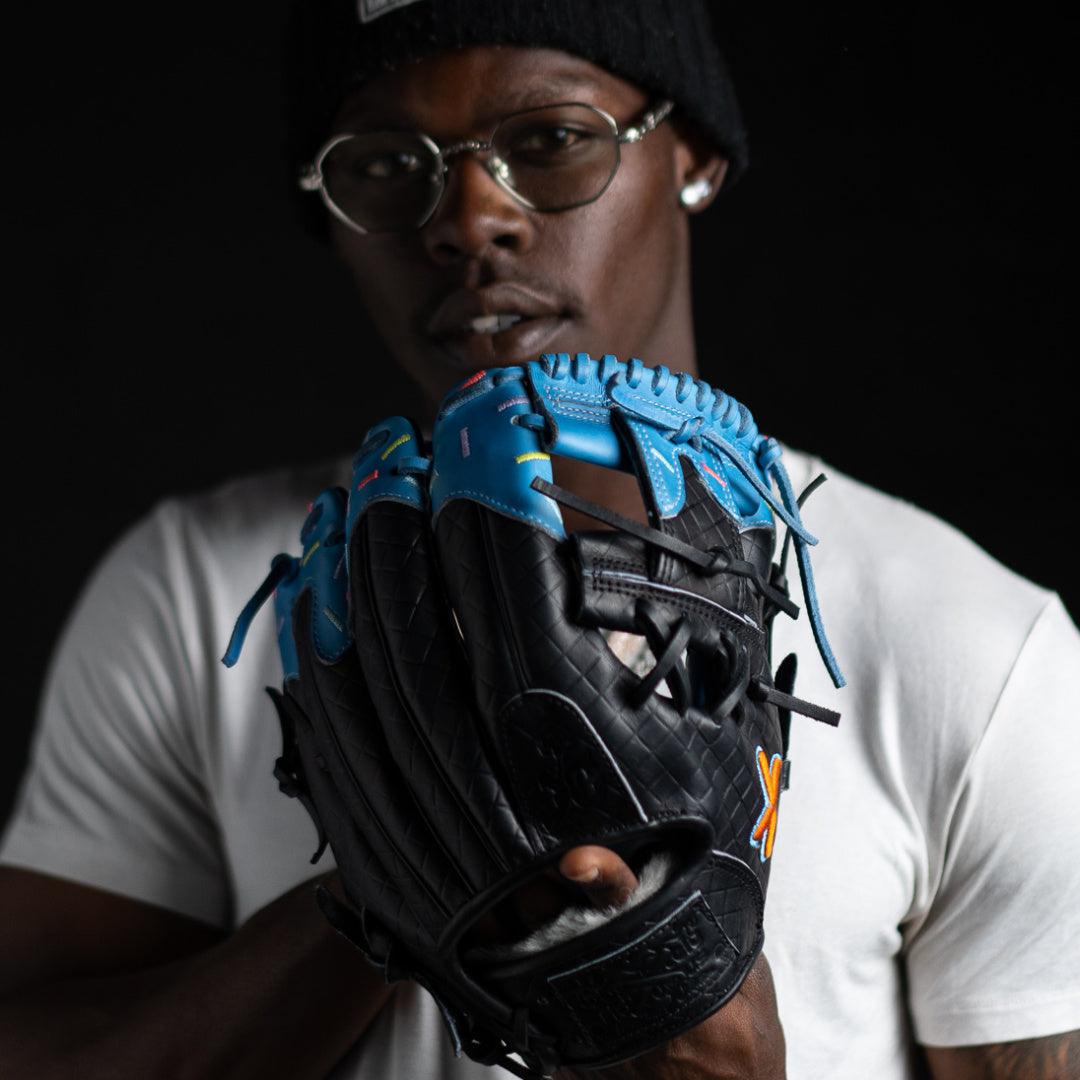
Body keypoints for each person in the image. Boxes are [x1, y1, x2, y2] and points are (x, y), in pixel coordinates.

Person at [2, 2, 1078, 1078]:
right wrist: (386, 896)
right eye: (386, 164)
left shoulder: (974, 646)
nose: (468, 219)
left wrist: (685, 1011)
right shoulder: (203, 591)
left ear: (695, 155)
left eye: (552, 139)